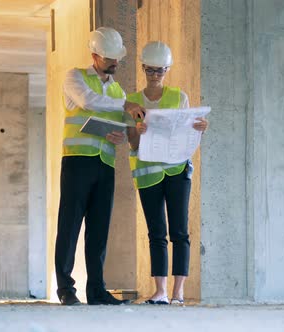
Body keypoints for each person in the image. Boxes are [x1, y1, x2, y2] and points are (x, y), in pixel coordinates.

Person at [55, 26, 144, 306]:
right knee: (69, 227)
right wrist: (125, 105)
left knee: (99, 229)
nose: (115, 63)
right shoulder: (75, 77)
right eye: (109, 58)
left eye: (117, 58)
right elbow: (87, 101)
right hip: (77, 161)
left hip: (105, 164)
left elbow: (121, 125)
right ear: (94, 55)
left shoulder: (117, 88)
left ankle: (96, 291)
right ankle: (66, 289)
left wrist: (119, 134)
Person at [127, 41, 208, 305]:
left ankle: (178, 292)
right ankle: (161, 291)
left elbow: (186, 132)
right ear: (143, 68)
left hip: (176, 171)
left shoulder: (178, 96)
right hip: (149, 174)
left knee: (179, 231)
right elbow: (132, 144)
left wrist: (198, 128)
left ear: (167, 70)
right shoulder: (134, 101)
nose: (154, 75)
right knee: (156, 232)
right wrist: (136, 133)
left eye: (159, 70)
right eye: (150, 70)